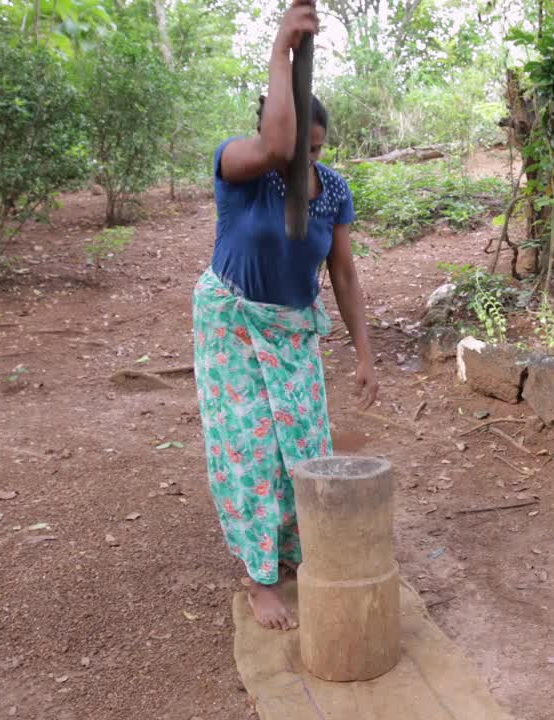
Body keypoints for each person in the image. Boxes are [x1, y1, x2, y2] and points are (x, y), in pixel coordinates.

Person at [191, 0, 377, 631]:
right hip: (233, 325)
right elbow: (277, 146)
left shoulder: (337, 189)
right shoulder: (241, 169)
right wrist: (281, 47)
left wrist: (365, 355)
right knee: (250, 448)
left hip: (293, 328)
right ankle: (259, 578)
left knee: (301, 446)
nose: (303, 161)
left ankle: (291, 551)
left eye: (314, 149)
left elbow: (344, 275)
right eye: (299, 147)